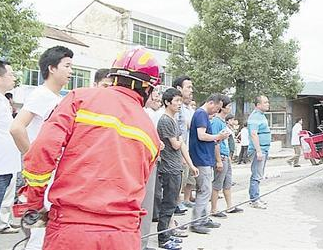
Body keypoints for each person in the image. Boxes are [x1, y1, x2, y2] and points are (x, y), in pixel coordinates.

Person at [18, 47, 161, 249]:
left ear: (113, 78)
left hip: (70, 230)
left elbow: (41, 152)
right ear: (148, 88)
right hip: (122, 236)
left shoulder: (80, 99)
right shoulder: (150, 132)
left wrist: (34, 202)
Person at [10, 45, 73, 249]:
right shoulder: (41, 95)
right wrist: (32, 158)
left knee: (46, 228)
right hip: (43, 173)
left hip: (53, 171)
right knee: (39, 232)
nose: (71, 71)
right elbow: (17, 128)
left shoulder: (58, 99)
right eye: (67, 66)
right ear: (51, 68)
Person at [156, 87, 199, 249]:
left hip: (176, 167)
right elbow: (176, 145)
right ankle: (163, 238)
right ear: (167, 102)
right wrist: (180, 140)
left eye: (181, 101)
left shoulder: (173, 120)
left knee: (173, 202)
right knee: (168, 204)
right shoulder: (165, 121)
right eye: (176, 101)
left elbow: (182, 145)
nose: (179, 104)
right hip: (168, 168)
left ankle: (168, 232)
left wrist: (191, 165)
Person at [188, 94, 229, 234]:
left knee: (206, 189)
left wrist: (216, 139)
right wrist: (218, 136)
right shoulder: (201, 114)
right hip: (201, 158)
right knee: (204, 190)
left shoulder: (202, 115)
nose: (216, 112)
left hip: (205, 156)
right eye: (216, 108)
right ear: (211, 103)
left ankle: (204, 219)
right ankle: (196, 222)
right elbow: (201, 135)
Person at [141, 88, 166, 250]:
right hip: (143, 160)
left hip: (150, 159)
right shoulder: (144, 113)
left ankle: (142, 241)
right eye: (154, 96)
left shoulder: (153, 113)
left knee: (148, 202)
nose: (157, 99)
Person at [210, 97, 243, 219]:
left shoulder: (223, 122)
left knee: (227, 182)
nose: (229, 108)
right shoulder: (216, 122)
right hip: (221, 157)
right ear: (221, 107)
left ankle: (230, 206)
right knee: (217, 184)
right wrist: (218, 160)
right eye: (228, 106)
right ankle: (213, 208)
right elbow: (215, 141)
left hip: (226, 155)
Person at [0, 60, 21, 234]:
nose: (14, 78)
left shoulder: (3, 100)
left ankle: (4, 222)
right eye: (11, 74)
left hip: (7, 162)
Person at [173, 76, 196, 212]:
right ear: (179, 88)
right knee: (178, 179)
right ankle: (175, 204)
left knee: (186, 177)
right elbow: (177, 130)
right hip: (177, 148)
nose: (190, 90)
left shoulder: (186, 108)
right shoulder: (176, 108)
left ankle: (181, 201)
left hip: (186, 147)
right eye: (188, 87)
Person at [248, 95, 271, 209]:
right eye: (265, 102)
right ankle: (254, 199)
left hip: (264, 148)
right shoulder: (255, 116)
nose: (268, 104)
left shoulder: (261, 116)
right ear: (258, 105)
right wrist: (258, 151)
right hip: (259, 149)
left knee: (259, 174)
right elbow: (253, 134)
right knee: (256, 174)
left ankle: (256, 196)